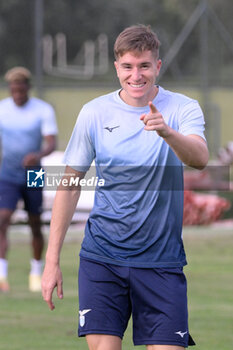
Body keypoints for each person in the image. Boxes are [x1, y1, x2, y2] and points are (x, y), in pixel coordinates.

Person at [42, 25, 209, 350]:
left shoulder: (182, 108)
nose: (136, 75)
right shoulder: (94, 113)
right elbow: (69, 185)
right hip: (102, 258)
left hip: (162, 261)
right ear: (117, 67)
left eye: (144, 66)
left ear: (157, 66)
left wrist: (167, 133)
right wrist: (52, 262)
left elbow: (201, 158)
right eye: (128, 67)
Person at [0, 67, 58, 292]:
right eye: (14, 90)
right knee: (3, 219)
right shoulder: (3, 110)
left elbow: (51, 142)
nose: (17, 94)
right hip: (8, 173)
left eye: (21, 90)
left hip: (34, 173)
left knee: (35, 223)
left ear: (28, 88)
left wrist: (38, 155)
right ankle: (2, 275)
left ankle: (36, 271)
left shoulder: (42, 110)